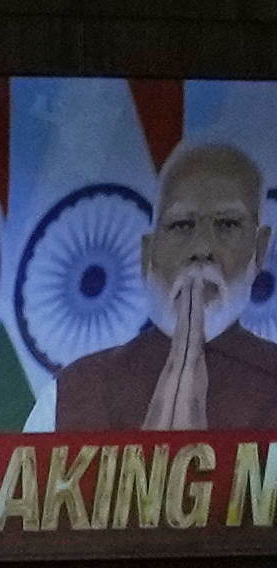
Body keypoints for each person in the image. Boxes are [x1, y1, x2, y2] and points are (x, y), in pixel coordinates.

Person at [52, 140, 277, 432]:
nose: (202, 248)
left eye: (227, 225)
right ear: (148, 252)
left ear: (259, 250)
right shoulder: (75, 389)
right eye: (182, 225)